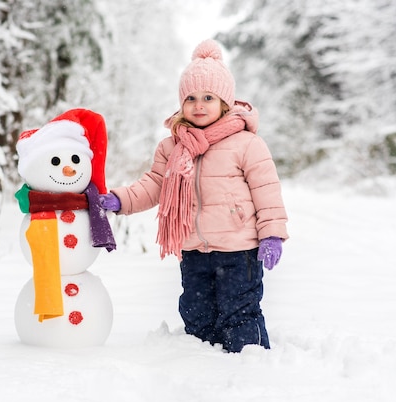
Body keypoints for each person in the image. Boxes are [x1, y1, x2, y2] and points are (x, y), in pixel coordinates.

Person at [100, 39, 289, 353]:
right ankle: (200, 366)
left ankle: (252, 367)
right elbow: (154, 185)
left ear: (224, 102)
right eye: (190, 97)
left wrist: (272, 235)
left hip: (238, 249)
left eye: (208, 97)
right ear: (181, 103)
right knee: (196, 313)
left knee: (239, 312)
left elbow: (267, 192)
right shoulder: (172, 147)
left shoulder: (246, 144)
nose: (198, 105)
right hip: (193, 249)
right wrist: (121, 200)